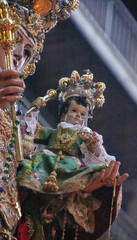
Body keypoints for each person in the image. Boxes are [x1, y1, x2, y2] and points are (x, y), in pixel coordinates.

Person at [17, 70, 128, 240]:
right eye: (74, 111)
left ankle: (65, 197)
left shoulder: (85, 135)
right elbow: (35, 132)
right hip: (47, 162)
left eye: (83, 114)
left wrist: (93, 146)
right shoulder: (57, 131)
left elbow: (97, 154)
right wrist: (33, 111)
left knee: (92, 170)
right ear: (64, 113)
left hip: (70, 166)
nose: (78, 116)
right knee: (28, 166)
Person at [0, 0, 79, 238]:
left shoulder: (18, 124)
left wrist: (80, 185)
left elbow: (24, 199)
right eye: (13, 39)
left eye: (27, 52)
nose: (17, 55)